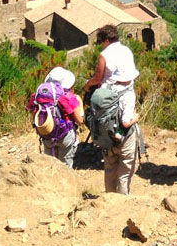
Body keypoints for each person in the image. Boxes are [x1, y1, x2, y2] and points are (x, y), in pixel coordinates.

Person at [84, 25, 141, 194]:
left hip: (108, 99)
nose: (101, 45)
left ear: (107, 40)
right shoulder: (127, 51)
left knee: (109, 166)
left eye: (101, 41)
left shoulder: (105, 55)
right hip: (125, 98)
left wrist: (88, 84)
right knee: (125, 169)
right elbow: (126, 120)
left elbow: (98, 77)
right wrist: (135, 118)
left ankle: (109, 195)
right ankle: (123, 198)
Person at [29, 66, 84, 168]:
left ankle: (51, 183)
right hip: (64, 135)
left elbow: (32, 111)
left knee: (50, 166)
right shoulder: (68, 97)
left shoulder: (39, 95)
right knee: (65, 167)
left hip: (47, 133)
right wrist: (80, 103)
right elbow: (80, 120)